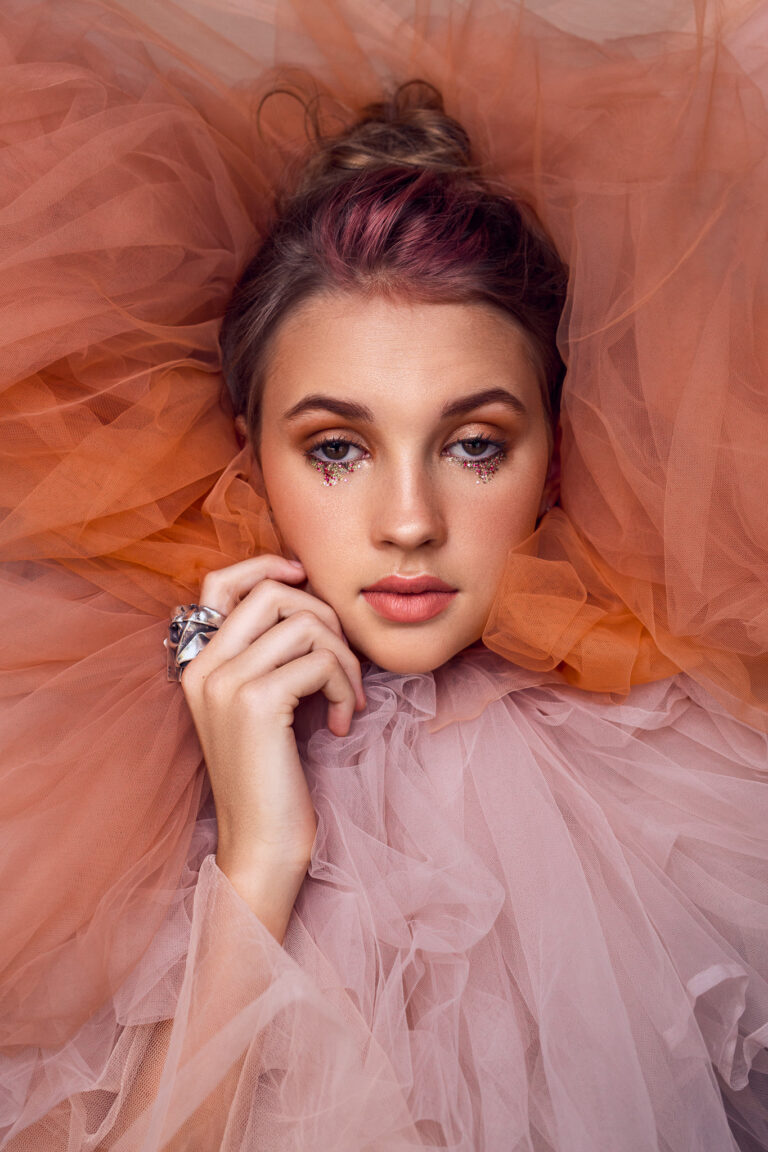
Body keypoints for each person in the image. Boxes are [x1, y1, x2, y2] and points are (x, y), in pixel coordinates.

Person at [0, 1, 766, 1149]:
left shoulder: (689, 780)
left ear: (556, 457)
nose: (409, 522)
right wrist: (259, 856)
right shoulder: (86, 777)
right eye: (337, 449)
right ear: (248, 451)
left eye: (474, 444)